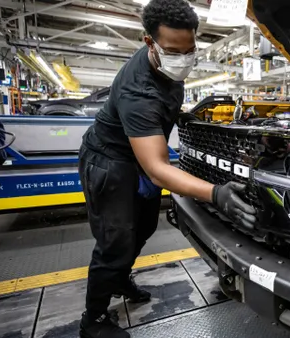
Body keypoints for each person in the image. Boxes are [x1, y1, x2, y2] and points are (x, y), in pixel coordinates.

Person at [77, 1, 257, 337]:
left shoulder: (168, 66)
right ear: (150, 43)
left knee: (142, 228)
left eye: (190, 50)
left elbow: (165, 113)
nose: (184, 58)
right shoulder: (139, 92)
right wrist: (216, 194)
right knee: (115, 241)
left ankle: (118, 279)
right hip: (110, 162)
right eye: (174, 51)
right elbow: (159, 169)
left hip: (136, 160)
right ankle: (94, 319)